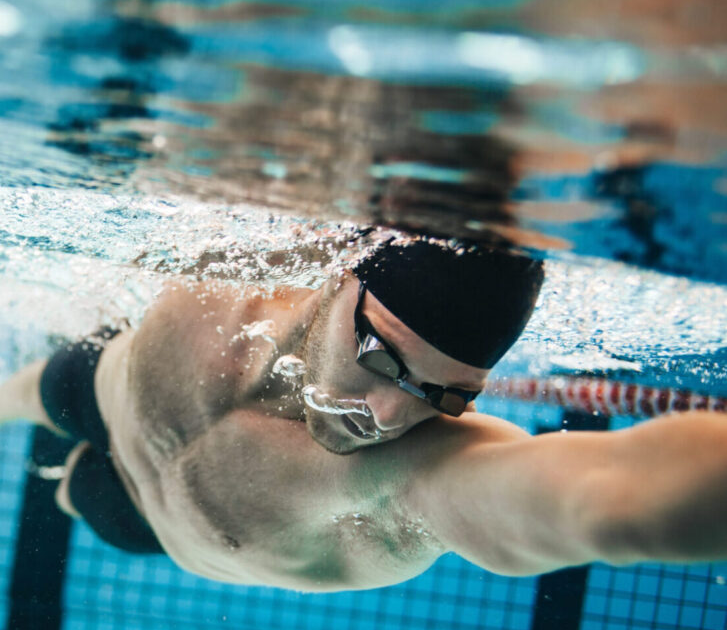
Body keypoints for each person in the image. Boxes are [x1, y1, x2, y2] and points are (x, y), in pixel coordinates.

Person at [0, 237, 725, 591]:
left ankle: (64, 479)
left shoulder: (404, 479)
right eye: (382, 359)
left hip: (144, 524)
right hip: (102, 384)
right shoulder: (253, 252)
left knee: (69, 488)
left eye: (444, 396)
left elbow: (600, 499)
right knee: (22, 394)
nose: (384, 415)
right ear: (341, 281)